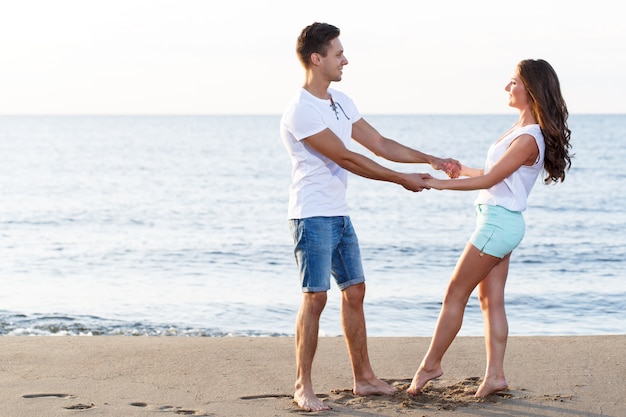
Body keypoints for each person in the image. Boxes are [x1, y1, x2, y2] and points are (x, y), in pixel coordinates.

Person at [280, 22, 461, 412]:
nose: (345, 59)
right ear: (317, 58)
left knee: (355, 292)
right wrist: (401, 180)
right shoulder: (300, 111)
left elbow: (378, 143)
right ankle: (302, 386)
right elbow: (345, 157)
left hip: (339, 214)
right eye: (337, 53)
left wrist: (428, 158)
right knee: (315, 299)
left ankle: (363, 378)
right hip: (311, 216)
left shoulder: (340, 100)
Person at [407, 59, 572, 398]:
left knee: (455, 293)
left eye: (513, 82)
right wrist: (459, 169)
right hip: (500, 220)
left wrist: (438, 184)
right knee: (490, 300)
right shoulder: (520, 130)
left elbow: (493, 179)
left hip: (499, 223)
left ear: (532, 89)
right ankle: (495, 375)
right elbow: (492, 174)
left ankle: (431, 365)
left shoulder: (530, 138)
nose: (507, 87)